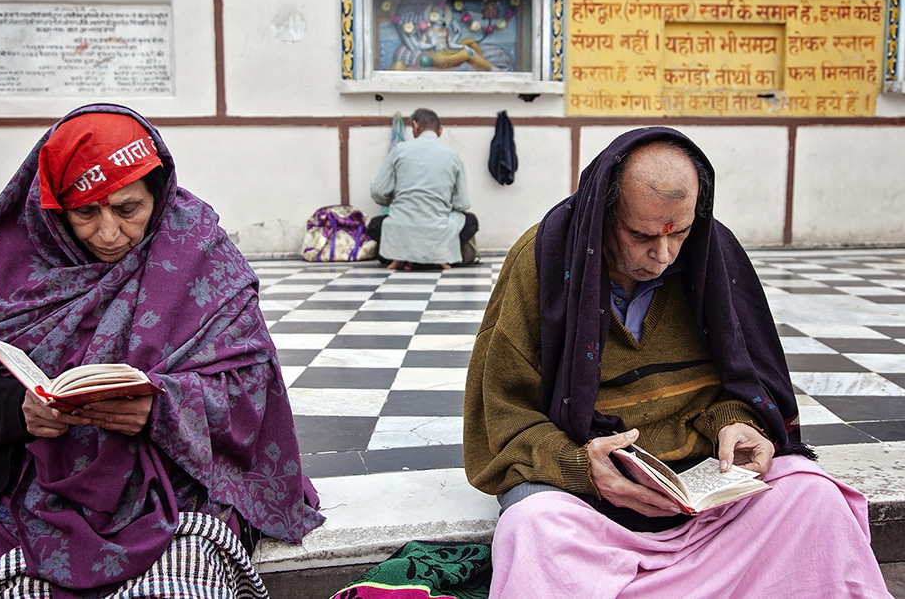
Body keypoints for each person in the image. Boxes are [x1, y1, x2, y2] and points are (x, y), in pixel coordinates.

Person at [0, 104, 324, 598]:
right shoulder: (6, 271)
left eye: (128, 209)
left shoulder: (200, 258)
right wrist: (20, 411)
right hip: (28, 506)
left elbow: (253, 392)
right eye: (85, 212)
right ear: (53, 208)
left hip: (176, 498)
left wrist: (162, 408)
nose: (108, 234)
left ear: (159, 193)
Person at [463, 127, 891, 597]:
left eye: (679, 233)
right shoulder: (545, 259)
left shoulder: (713, 256)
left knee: (814, 498)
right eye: (641, 235)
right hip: (588, 495)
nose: (663, 256)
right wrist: (579, 464)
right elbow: (501, 418)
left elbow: (744, 387)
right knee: (533, 525)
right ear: (603, 215)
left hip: (700, 487)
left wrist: (740, 424)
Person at [368, 108, 479, 271]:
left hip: (401, 228)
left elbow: (378, 191)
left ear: (415, 126)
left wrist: (395, 202)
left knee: (374, 225)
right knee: (471, 221)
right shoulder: (453, 155)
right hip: (439, 230)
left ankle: (405, 257)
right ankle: (435, 257)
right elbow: (462, 203)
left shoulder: (400, 150)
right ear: (439, 131)